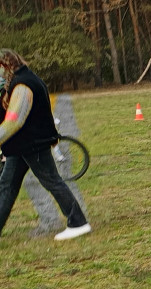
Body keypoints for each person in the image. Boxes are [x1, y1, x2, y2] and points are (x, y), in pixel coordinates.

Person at [0, 49, 91, 240]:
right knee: (6, 186)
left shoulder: (24, 85)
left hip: (33, 144)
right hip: (21, 146)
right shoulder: (22, 79)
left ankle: (78, 223)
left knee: (52, 181)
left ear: (5, 66)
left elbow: (14, 121)